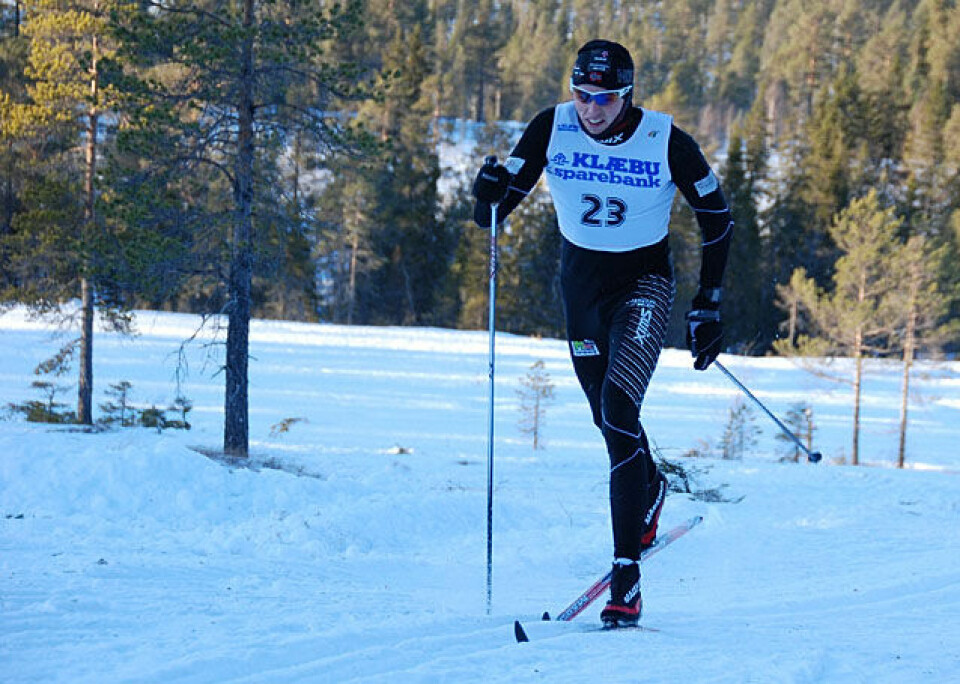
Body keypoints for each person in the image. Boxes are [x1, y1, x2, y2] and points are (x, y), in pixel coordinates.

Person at [472, 39, 732, 629]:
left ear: (627, 94)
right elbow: (495, 207)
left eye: (606, 98)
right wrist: (485, 192)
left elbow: (718, 219)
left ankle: (626, 576)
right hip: (580, 293)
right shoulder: (551, 127)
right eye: (583, 95)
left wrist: (708, 304)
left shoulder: (665, 139)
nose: (593, 109)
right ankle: (652, 486)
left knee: (619, 409)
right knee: (606, 420)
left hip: (643, 287)